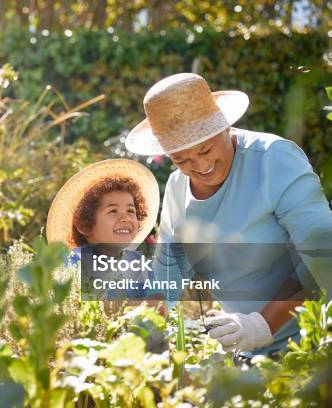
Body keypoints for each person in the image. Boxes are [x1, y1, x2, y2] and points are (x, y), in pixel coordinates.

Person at [125, 73, 332, 358]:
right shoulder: (176, 187)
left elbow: (321, 252)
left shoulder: (274, 160)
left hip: (313, 343)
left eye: (205, 149)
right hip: (244, 351)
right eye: (181, 159)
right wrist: (142, 329)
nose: (200, 165)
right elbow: (167, 274)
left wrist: (260, 325)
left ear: (224, 125)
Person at [46, 159, 160, 301]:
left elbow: (159, 304)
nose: (125, 218)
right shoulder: (73, 262)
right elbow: (77, 306)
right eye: (113, 211)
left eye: (131, 211)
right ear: (84, 225)